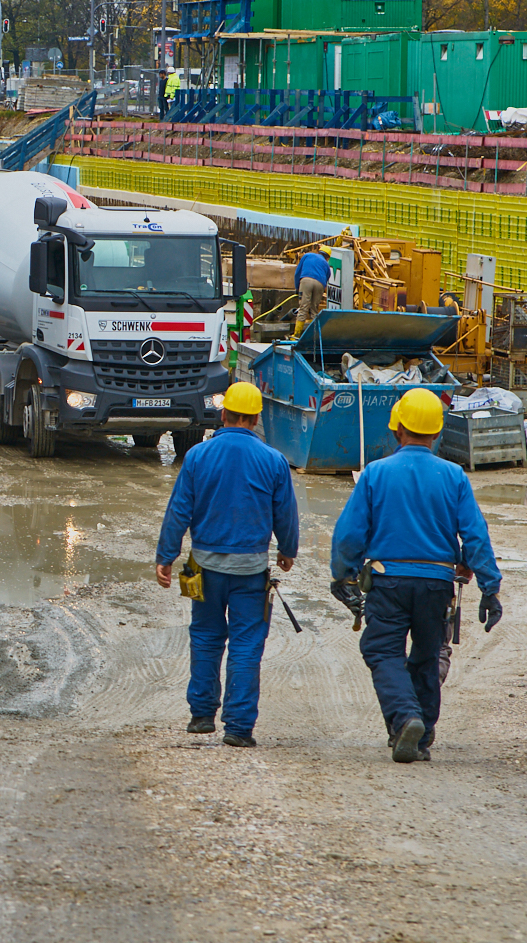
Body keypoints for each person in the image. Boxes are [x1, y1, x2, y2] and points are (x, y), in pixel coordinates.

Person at [329, 387, 504, 764]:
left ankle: (406, 718)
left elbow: (350, 534)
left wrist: (342, 576)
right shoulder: (454, 476)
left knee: (381, 650)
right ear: (438, 433)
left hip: (387, 581)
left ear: (397, 430)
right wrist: (490, 586)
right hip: (436, 584)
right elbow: (474, 533)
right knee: (426, 656)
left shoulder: (375, 473)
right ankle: (420, 736)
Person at [153, 381, 300, 748]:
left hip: (204, 567)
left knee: (205, 636)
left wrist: (166, 556)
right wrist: (287, 550)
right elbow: (285, 513)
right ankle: (238, 728)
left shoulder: (199, 456)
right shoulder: (273, 460)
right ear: (256, 418)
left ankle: (202, 715)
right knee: (247, 644)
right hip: (251, 570)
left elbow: (179, 510)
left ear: (223, 415)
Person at [295, 244, 330, 325]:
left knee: (303, 308)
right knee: (314, 310)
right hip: (320, 283)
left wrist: (297, 287)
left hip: (306, 281)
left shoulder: (307, 255)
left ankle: (297, 335)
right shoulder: (326, 264)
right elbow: (327, 278)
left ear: (318, 252)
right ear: (328, 258)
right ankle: (313, 334)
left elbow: (297, 273)